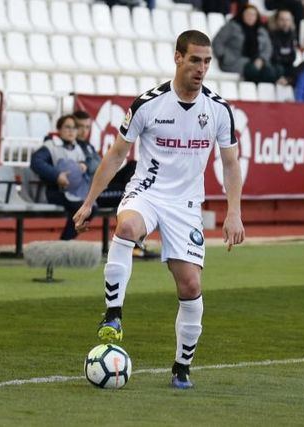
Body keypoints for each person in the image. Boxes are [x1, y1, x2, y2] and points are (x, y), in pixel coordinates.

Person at [73, 30, 245, 389]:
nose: (202, 68)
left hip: (185, 204)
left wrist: (233, 212)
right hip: (147, 192)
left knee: (190, 284)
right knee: (126, 229)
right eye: (195, 59)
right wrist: (89, 202)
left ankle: (182, 367)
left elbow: (230, 164)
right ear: (178, 58)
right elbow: (117, 155)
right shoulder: (147, 104)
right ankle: (114, 314)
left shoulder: (218, 109)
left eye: (207, 61)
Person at [30, 115, 93, 241]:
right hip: (54, 191)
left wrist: (84, 165)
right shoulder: (50, 145)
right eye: (67, 127)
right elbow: (36, 162)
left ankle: (66, 241)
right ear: (59, 129)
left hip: (75, 192)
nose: (71, 131)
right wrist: (57, 175)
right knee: (81, 208)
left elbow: (88, 162)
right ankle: (65, 242)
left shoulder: (78, 147)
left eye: (74, 128)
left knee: (91, 208)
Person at [212, 4, 278, 83]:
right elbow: (217, 42)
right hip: (233, 62)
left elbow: (268, 48)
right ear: (242, 15)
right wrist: (223, 56)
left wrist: (262, 59)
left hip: (257, 62)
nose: (251, 17)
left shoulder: (261, 30)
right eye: (248, 14)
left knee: (270, 72)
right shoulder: (231, 26)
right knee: (254, 71)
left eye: (253, 15)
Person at [269, 9, 299, 84]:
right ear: (276, 21)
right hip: (275, 67)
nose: (285, 22)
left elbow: (293, 56)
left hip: (288, 66)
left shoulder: (293, 36)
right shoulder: (270, 35)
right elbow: (274, 56)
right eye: (282, 19)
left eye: (287, 20)